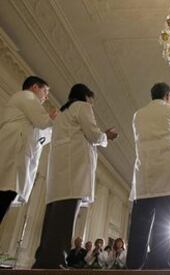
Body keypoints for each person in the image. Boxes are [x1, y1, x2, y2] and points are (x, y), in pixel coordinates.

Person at [32, 84, 118, 269]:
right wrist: (107, 136)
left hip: (59, 172)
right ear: (86, 97)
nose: (92, 105)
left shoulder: (62, 114)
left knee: (53, 218)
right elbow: (94, 136)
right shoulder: (82, 107)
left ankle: (43, 258)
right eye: (91, 100)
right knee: (65, 219)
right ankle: (54, 261)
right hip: (75, 171)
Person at [127, 82, 170, 269]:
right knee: (165, 221)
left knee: (140, 222)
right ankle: (159, 261)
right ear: (168, 96)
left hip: (145, 172)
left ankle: (133, 264)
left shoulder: (138, 114)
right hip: (167, 172)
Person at [0, 76, 57, 224]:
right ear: (34, 87)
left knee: (7, 195)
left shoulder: (27, 112)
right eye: (45, 91)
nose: (46, 96)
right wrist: (53, 117)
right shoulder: (27, 96)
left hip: (18, 153)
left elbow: (43, 136)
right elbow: (43, 122)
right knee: (5, 194)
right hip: (13, 151)